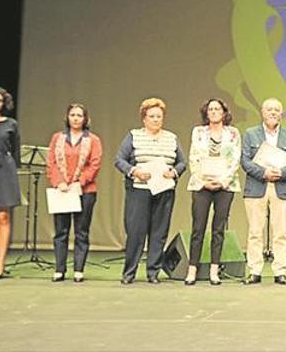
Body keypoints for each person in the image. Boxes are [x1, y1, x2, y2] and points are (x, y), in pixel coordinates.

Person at [114, 97, 186, 284]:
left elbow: (182, 162)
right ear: (144, 119)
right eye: (152, 116)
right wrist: (134, 171)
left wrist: (174, 172)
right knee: (136, 232)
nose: (155, 119)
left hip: (164, 191)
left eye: (159, 116)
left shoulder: (171, 138)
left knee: (159, 232)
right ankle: (129, 272)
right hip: (139, 191)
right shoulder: (134, 136)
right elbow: (119, 160)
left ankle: (153, 272)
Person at [240, 98, 286, 285]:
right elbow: (245, 160)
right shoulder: (251, 134)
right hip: (257, 187)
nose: (273, 112)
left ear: (281, 113)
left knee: (280, 232)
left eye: (276, 110)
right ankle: (255, 270)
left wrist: (281, 172)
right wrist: (263, 172)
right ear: (262, 112)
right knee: (255, 232)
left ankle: (280, 271)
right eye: (269, 109)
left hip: (281, 188)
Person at [184, 98, 241, 286]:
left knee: (218, 229)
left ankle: (214, 270)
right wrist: (204, 180)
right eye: (211, 109)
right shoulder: (198, 132)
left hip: (225, 185)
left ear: (224, 113)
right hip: (202, 185)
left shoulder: (233, 133)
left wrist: (222, 180)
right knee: (198, 228)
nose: (214, 112)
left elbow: (235, 159)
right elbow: (193, 157)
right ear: (206, 113)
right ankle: (192, 269)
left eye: (218, 109)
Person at [46, 103, 103, 283]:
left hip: (85, 191)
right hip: (62, 190)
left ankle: (79, 269)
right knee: (61, 231)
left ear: (85, 119)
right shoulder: (58, 138)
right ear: (67, 117)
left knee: (81, 231)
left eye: (79, 115)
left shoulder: (93, 139)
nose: (76, 118)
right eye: (73, 115)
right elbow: (51, 162)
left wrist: (80, 182)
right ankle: (59, 269)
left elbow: (95, 164)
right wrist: (59, 182)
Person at [0, 87, 21, 279]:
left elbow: (15, 152)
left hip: (4, 170)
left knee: (3, 217)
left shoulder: (11, 124)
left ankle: (0, 264)